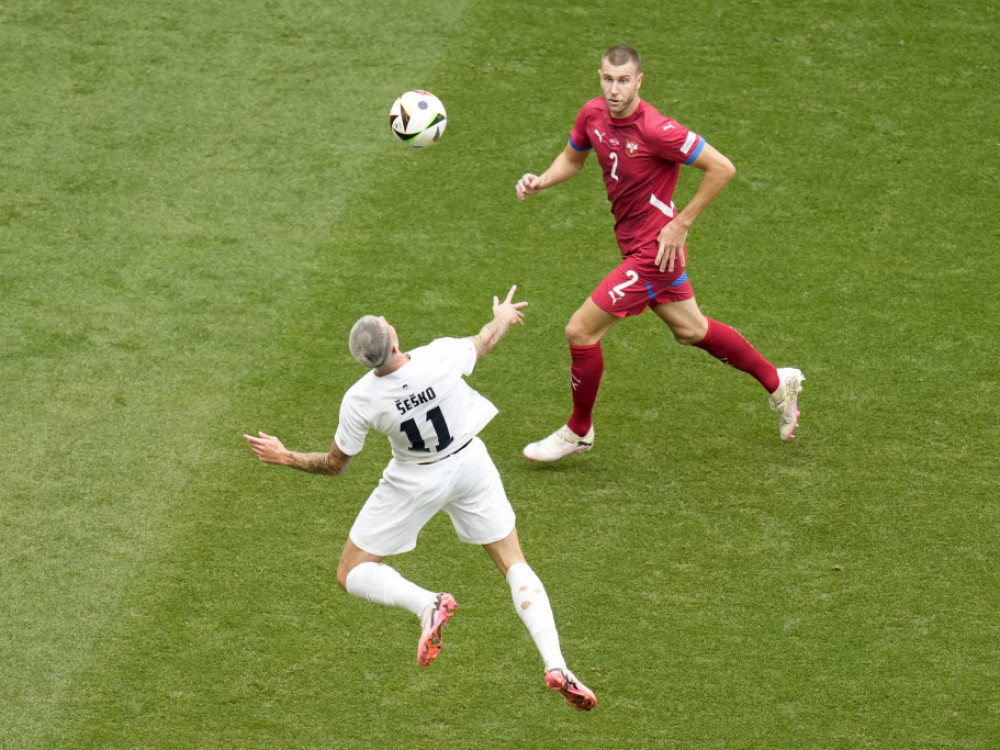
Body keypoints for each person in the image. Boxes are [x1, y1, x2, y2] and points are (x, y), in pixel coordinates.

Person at [243, 287, 597, 711]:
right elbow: (485, 340)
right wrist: (502, 315)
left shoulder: (360, 399)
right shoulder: (438, 356)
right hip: (470, 465)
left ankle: (425, 603)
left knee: (351, 571)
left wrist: (285, 457)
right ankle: (556, 664)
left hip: (414, 479)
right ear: (393, 342)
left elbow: (335, 464)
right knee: (513, 560)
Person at [515, 45, 804, 463]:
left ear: (639, 81)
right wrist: (541, 181)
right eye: (608, 79)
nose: (615, 90)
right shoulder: (592, 114)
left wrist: (682, 222)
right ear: (600, 76)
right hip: (639, 248)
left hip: (653, 253)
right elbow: (573, 159)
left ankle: (579, 430)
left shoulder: (657, 129)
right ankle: (778, 381)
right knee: (691, 330)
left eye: (624, 81)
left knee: (580, 332)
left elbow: (722, 168)